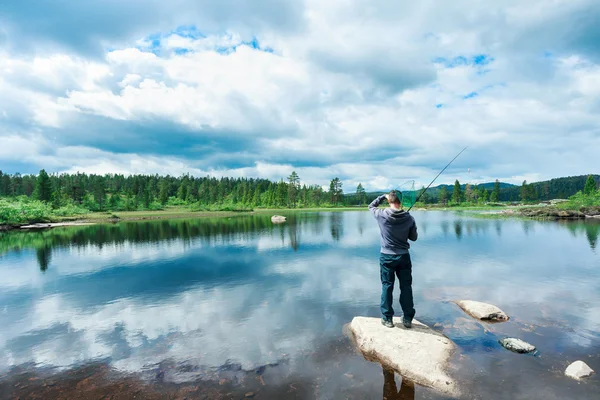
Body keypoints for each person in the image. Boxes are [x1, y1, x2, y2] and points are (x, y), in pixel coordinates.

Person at [368, 190, 418, 329]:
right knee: (406, 287)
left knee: (387, 286)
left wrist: (381, 197)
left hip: (386, 257)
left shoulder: (381, 214)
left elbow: (371, 206)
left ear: (389, 201)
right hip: (403, 257)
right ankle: (407, 318)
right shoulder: (409, 218)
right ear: (401, 202)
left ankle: (387, 319)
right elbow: (413, 237)